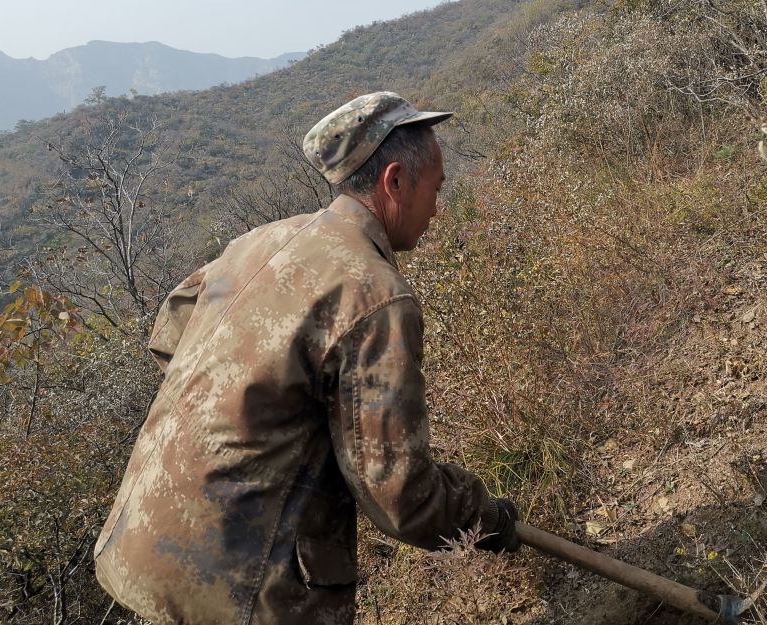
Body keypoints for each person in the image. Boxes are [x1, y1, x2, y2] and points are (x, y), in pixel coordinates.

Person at [93, 91, 520, 625]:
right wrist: (490, 519)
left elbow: (169, 335)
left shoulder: (256, 242)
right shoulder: (375, 293)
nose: (437, 208)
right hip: (239, 591)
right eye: (437, 189)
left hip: (139, 545)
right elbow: (401, 496)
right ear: (395, 182)